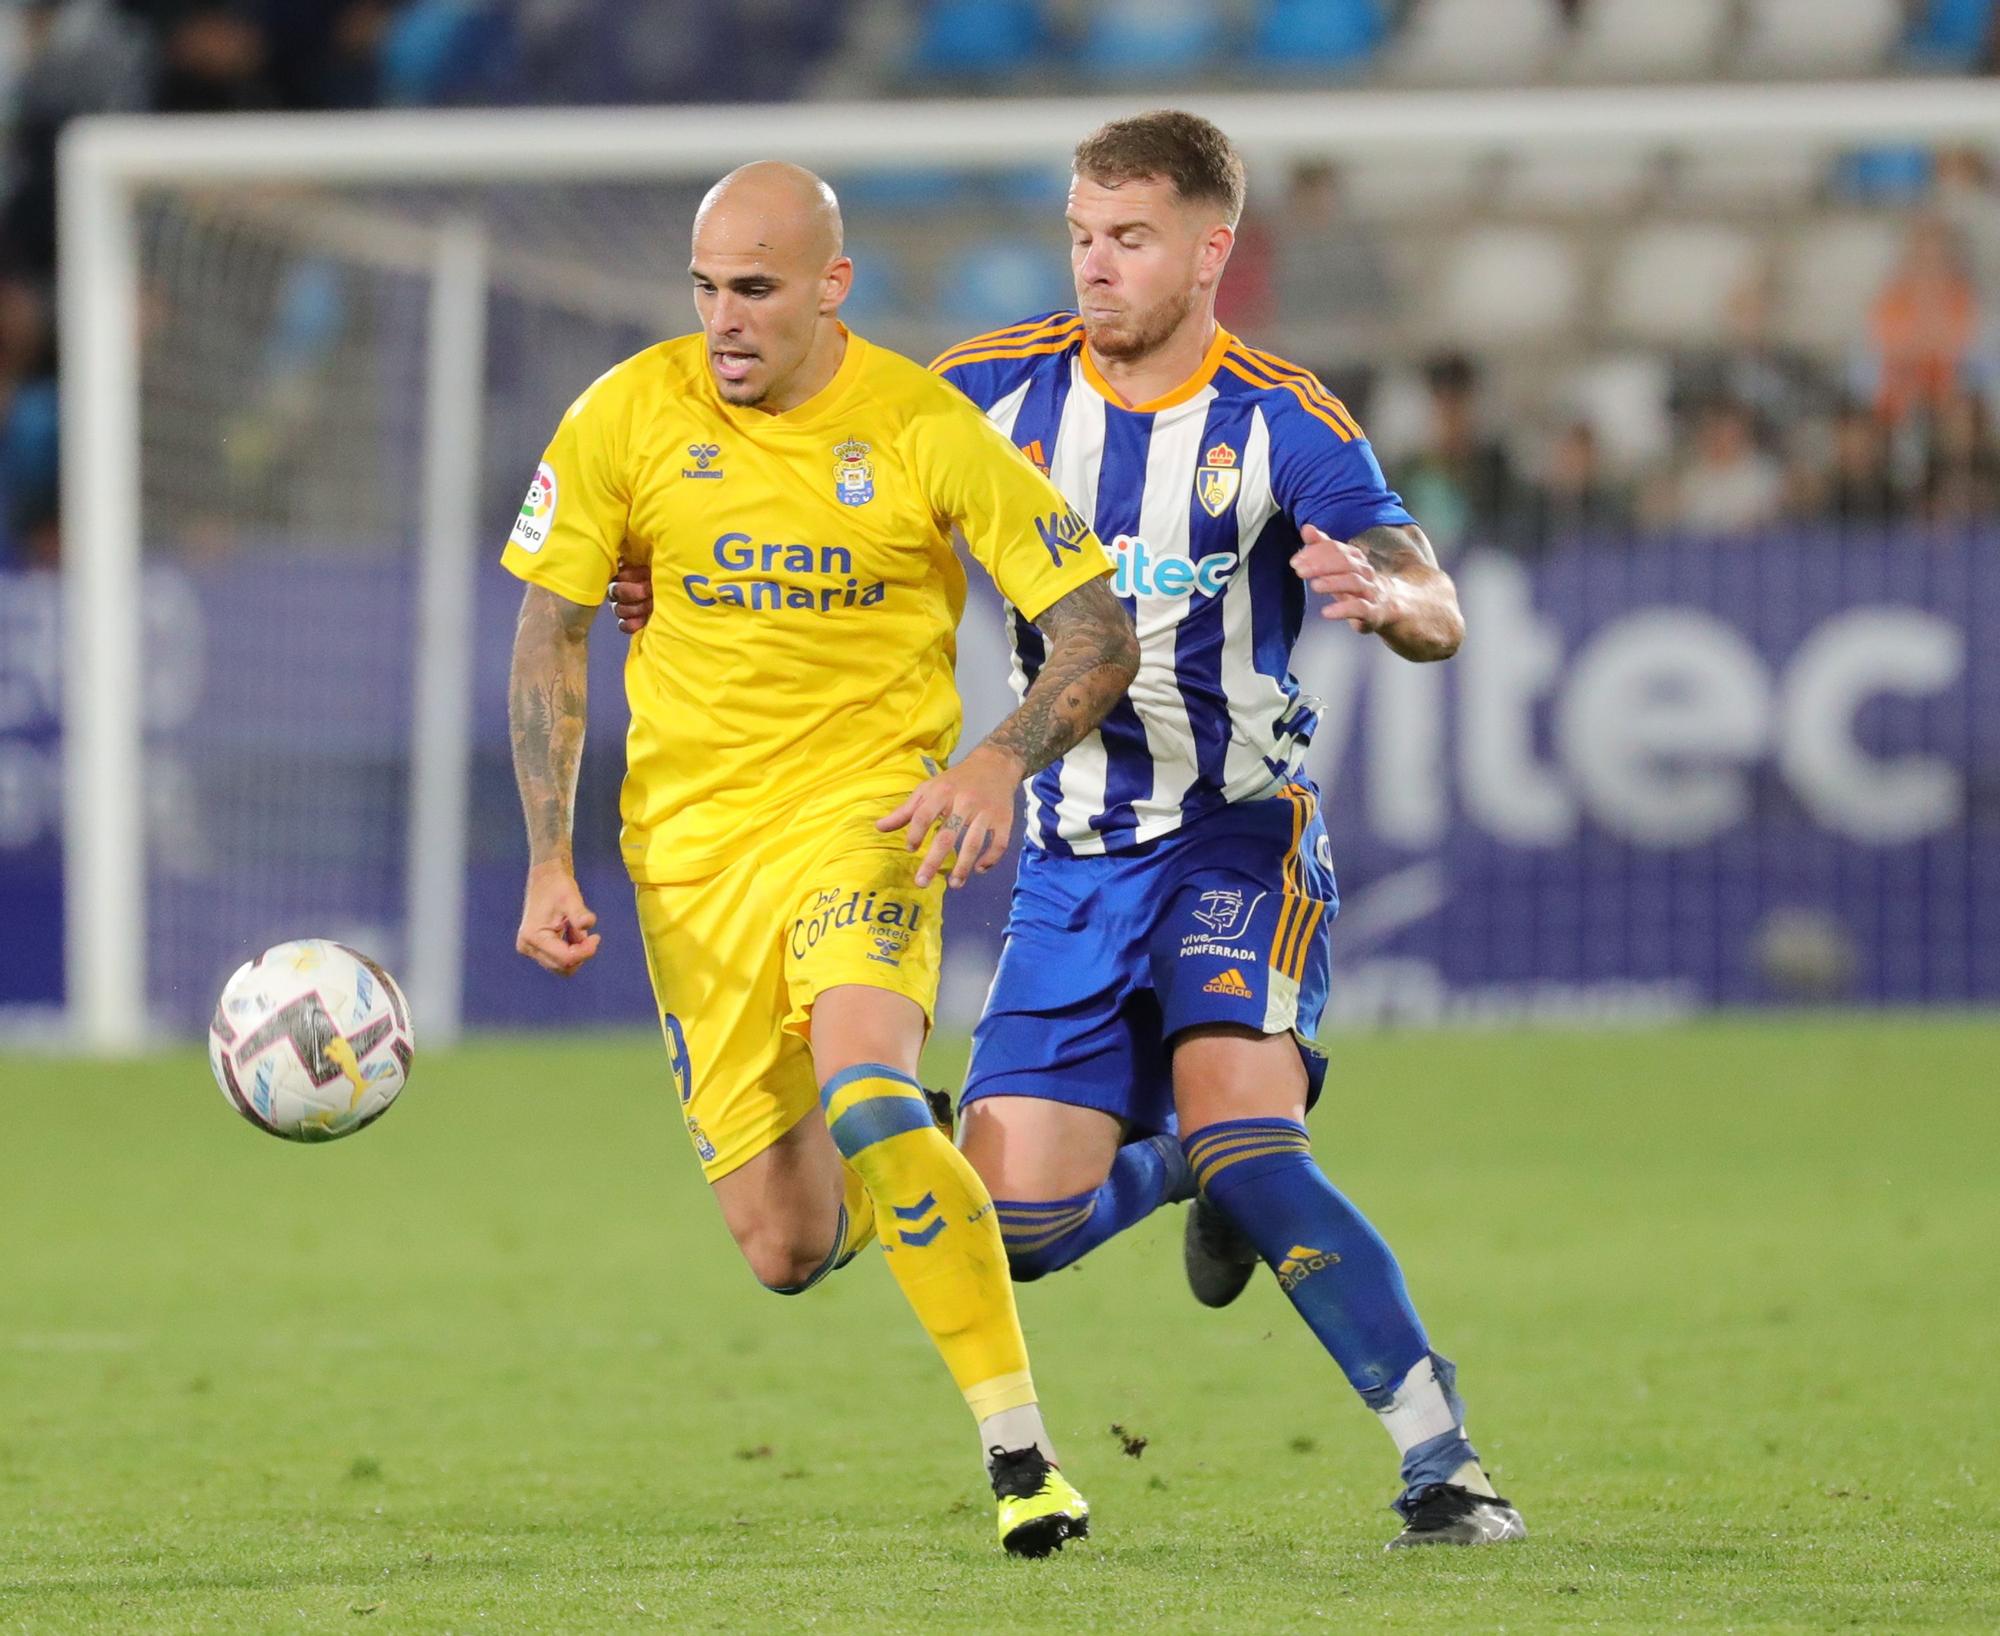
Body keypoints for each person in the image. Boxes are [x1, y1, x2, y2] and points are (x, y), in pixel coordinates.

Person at [616, 114, 1524, 1550]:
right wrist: (660, 568)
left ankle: (1444, 1463)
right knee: (1018, 1226)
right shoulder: (986, 391)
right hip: (1069, 860)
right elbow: (826, 473)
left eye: (1132, 240)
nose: (1096, 267)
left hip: (1237, 835)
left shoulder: (1281, 417)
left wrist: (1399, 604)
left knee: (1252, 1133)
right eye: (1083, 237)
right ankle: (1179, 1172)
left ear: (1212, 252)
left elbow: (1430, 590)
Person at [503, 161, 1137, 1557]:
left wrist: (994, 760)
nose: (724, 319)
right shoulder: (625, 412)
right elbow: (552, 632)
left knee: (863, 1088)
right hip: (688, 863)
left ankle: (1023, 1459)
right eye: (706, 288)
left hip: (868, 820)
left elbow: (1098, 631)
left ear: (832, 286)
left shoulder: (921, 426)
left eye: (757, 288)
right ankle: (918, 1153)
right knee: (784, 1248)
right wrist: (550, 860)